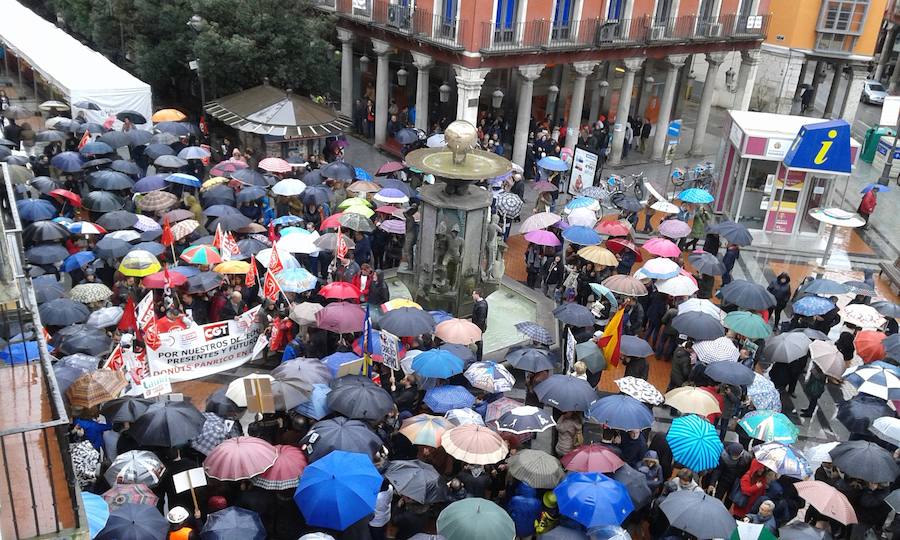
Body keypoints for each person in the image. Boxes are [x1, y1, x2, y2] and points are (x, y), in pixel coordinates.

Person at [472, 289, 488, 361]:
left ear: (477, 295)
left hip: (478, 328)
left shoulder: (482, 306)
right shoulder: (481, 303)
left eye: (473, 294)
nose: (472, 295)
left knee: (478, 342)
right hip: (478, 327)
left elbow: (481, 319)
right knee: (477, 342)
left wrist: (476, 329)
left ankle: (478, 358)